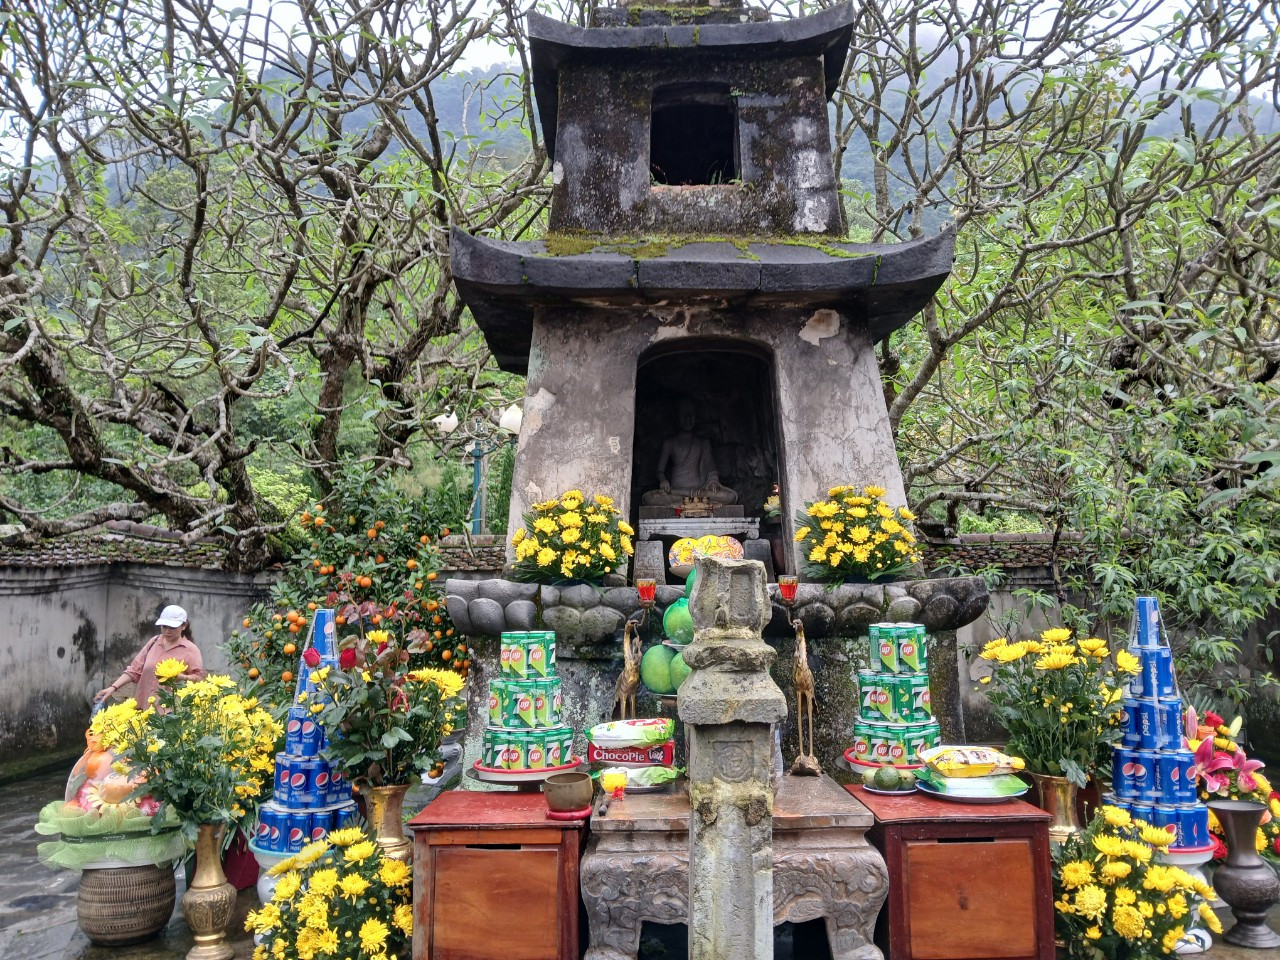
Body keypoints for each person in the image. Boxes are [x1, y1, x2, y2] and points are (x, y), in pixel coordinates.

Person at [94, 604, 206, 707]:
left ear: (184, 626)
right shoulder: (154, 641)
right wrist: (112, 688)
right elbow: (134, 670)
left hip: (170, 711)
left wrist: (181, 677)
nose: (167, 631)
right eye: (164, 626)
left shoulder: (190, 649)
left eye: (172, 627)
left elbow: (200, 678)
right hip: (144, 706)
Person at [641, 399, 739, 506]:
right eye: (684, 414)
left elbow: (711, 469)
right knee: (649, 498)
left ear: (696, 417)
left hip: (700, 491)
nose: (688, 418)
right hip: (676, 492)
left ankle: (688, 501)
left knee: (730, 496)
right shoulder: (669, 443)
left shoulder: (703, 443)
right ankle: (693, 501)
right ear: (677, 417)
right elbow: (660, 471)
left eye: (691, 414)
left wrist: (713, 482)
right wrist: (663, 480)